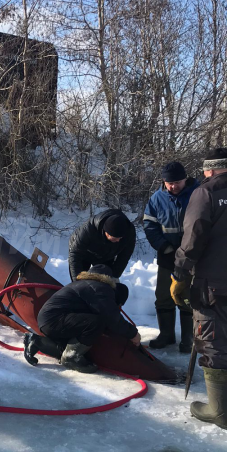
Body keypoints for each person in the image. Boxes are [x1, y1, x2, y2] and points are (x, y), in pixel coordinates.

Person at [171, 147, 227, 429]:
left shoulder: (207, 193)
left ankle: (219, 410)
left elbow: (193, 236)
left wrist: (180, 273)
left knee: (212, 339)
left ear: (211, 170)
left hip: (214, 284)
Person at [23, 264, 141, 374]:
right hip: (55, 320)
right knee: (97, 322)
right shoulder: (100, 288)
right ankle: (71, 357)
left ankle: (36, 342)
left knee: (70, 345)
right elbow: (111, 317)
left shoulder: (86, 284)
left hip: (50, 321)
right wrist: (133, 334)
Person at [143, 161, 199, 353]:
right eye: (169, 183)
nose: (173, 186)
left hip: (191, 257)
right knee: (164, 296)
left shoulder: (198, 194)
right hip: (167, 256)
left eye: (177, 182)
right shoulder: (157, 198)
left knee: (186, 297)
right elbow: (149, 225)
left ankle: (188, 339)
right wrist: (163, 246)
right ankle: (166, 335)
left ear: (185, 179)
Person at [68, 209, 136, 282]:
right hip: (84, 252)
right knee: (81, 280)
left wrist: (114, 276)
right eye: (114, 238)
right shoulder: (88, 229)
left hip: (106, 254)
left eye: (120, 238)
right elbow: (75, 254)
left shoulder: (129, 232)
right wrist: (76, 281)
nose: (118, 241)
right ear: (106, 232)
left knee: (105, 281)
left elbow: (125, 256)